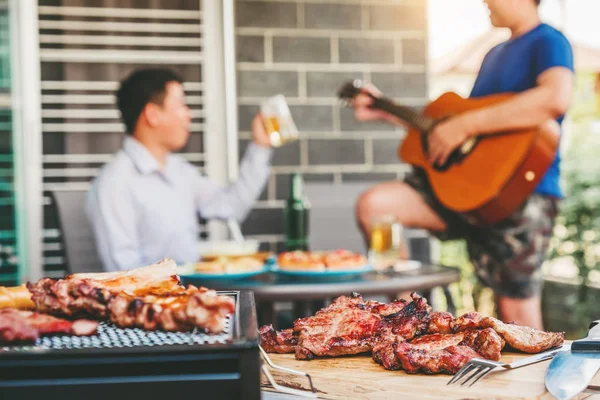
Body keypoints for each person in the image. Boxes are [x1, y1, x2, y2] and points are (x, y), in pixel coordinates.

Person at [352, 0, 574, 329]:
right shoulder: (493, 54)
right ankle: (415, 327)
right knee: (377, 206)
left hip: (520, 196)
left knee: (517, 317)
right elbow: (462, 140)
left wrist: (465, 126)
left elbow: (555, 97)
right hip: (468, 193)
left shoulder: (549, 40)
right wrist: (388, 112)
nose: (484, 1)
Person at [87, 68, 273, 271]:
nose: (188, 115)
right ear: (152, 115)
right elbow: (122, 271)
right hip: (156, 300)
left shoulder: (180, 171)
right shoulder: (114, 182)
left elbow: (231, 206)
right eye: (181, 105)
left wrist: (260, 147)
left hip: (195, 294)